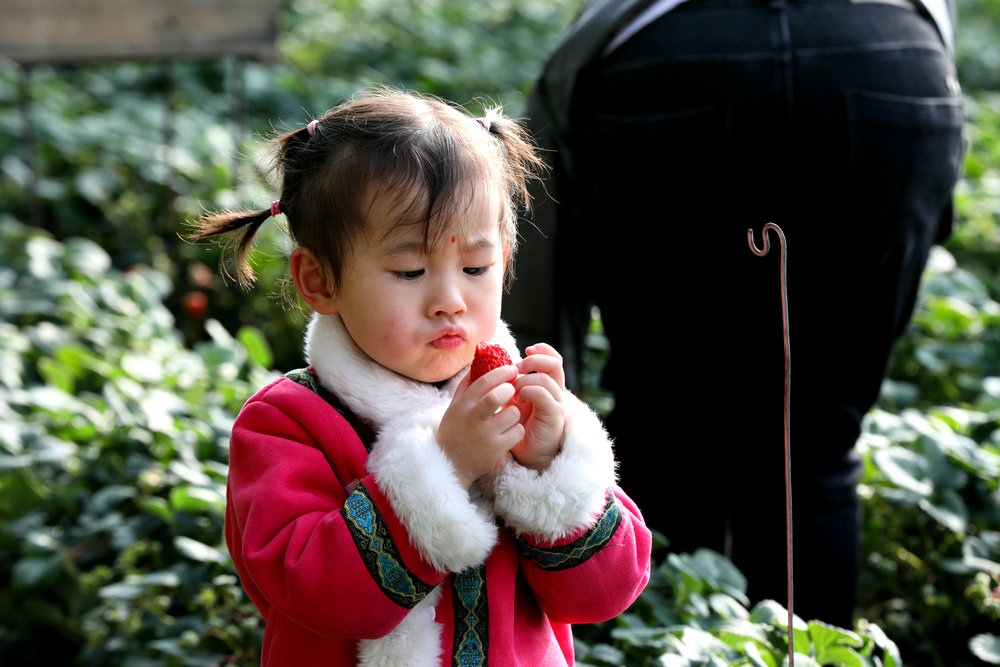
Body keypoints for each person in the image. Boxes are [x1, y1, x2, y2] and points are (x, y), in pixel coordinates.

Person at [504, 0, 965, 628]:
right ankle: (802, 651)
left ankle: (664, 640)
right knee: (813, 445)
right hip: (887, 56)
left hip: (668, 54)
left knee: (669, 430)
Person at [187, 86, 652, 667]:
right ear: (319, 280)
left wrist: (547, 467)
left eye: (476, 266)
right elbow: (314, 594)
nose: (450, 300)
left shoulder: (523, 406)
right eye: (410, 271)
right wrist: (444, 466)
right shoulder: (285, 425)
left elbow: (606, 595)